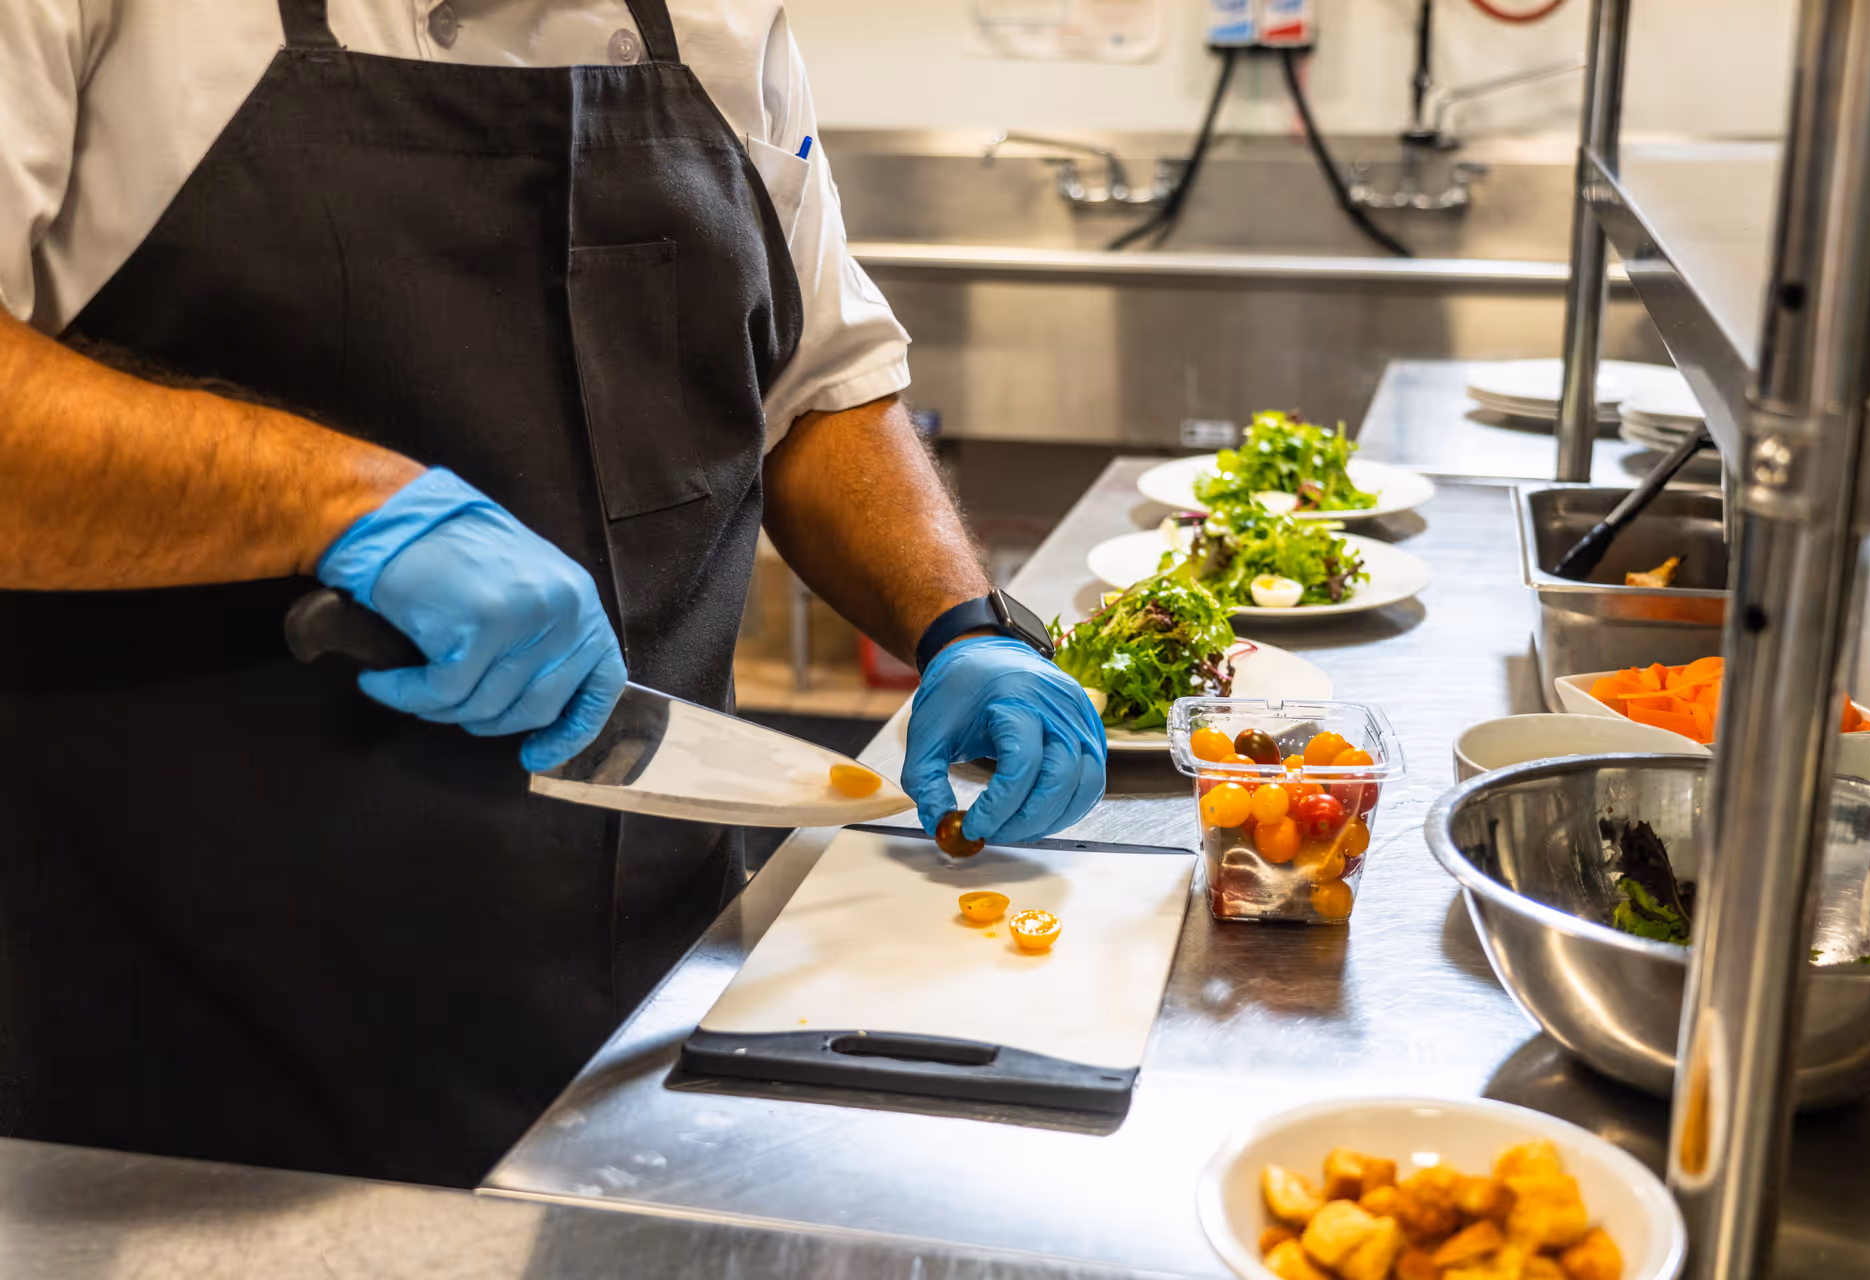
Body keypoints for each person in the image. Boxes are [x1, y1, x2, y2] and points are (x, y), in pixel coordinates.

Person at [0, 0, 1105, 1187]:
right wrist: (341, 501)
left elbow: (818, 386)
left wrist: (962, 621)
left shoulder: (727, 23)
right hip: (188, 1063)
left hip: (665, 1007)